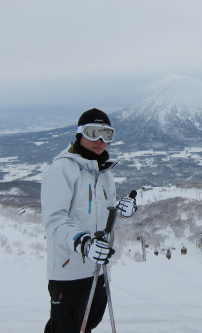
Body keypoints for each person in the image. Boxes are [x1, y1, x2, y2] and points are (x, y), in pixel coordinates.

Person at [41, 108, 137, 333]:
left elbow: (106, 225)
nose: (100, 140)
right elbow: (55, 221)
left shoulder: (105, 174)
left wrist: (122, 213)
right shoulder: (61, 170)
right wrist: (83, 243)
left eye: (107, 134)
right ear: (79, 134)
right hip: (69, 273)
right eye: (93, 132)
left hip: (99, 269)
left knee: (87, 326)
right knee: (65, 329)